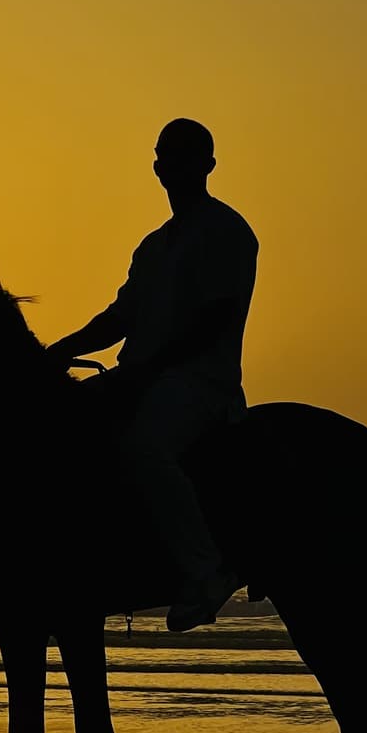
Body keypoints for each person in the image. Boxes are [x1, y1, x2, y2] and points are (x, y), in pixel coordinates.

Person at [48, 119, 258, 632]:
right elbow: (121, 318)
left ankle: (206, 571)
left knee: (144, 448)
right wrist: (61, 349)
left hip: (201, 386)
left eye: (187, 156)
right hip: (143, 377)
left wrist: (144, 372)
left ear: (207, 165)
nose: (175, 166)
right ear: (157, 166)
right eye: (168, 156)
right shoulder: (153, 246)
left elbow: (216, 321)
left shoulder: (228, 231)